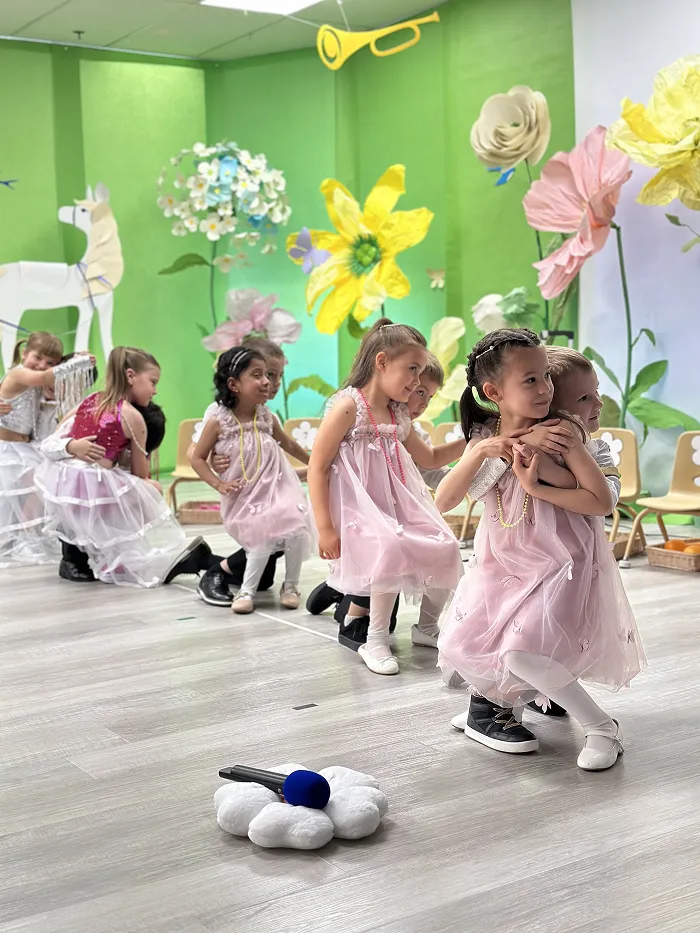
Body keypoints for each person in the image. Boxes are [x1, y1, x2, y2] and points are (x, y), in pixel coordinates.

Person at [436, 329, 646, 771]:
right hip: (504, 563)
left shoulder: (561, 435)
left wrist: (536, 476)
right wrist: (483, 453)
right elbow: (445, 500)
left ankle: (602, 727)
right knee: (486, 639)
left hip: (561, 563)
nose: (544, 389)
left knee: (523, 648)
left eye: (545, 379)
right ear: (494, 392)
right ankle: (497, 706)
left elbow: (602, 500)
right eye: (531, 380)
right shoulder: (486, 439)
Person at [308, 319, 464, 676]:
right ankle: (374, 638)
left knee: (446, 545)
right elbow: (318, 467)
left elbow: (430, 459)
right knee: (390, 550)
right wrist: (324, 528)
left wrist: (473, 441)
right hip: (359, 508)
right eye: (412, 370)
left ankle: (426, 628)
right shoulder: (349, 406)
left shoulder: (398, 412)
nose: (416, 381)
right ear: (381, 362)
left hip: (398, 504)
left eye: (420, 371)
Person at [36, 346, 211, 587]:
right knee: (150, 489)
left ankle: (81, 555)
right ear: (131, 376)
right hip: (89, 482)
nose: (155, 390)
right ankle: (101, 554)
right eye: (153, 382)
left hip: (65, 481)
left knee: (108, 494)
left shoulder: (89, 402)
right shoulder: (132, 416)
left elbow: (50, 441)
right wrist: (74, 447)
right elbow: (141, 474)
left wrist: (71, 447)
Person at [191, 346, 315, 614]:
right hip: (245, 495)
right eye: (259, 375)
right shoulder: (219, 420)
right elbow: (196, 456)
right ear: (234, 384)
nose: (268, 382)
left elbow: (290, 444)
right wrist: (218, 482)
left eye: (270, 376)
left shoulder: (266, 416)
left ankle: (291, 586)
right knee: (262, 537)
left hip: (278, 489)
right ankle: (244, 590)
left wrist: (315, 462)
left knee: (296, 525)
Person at [0, 332, 94, 567]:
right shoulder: (20, 373)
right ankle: (26, 537)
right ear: (24, 354)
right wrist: (78, 362)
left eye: (50, 362)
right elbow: (44, 376)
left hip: (23, 445)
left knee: (40, 480)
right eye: (37, 357)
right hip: (8, 447)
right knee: (34, 479)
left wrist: (75, 360)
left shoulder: (37, 384)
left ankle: (31, 534)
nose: (42, 365)